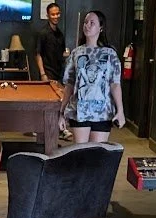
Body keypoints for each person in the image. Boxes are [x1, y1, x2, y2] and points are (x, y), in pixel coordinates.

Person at [60, 10, 124, 144]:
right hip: (79, 111)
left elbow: (115, 84)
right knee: (80, 154)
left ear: (101, 27)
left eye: (92, 23)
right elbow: (69, 85)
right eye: (85, 22)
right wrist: (61, 113)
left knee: (97, 156)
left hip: (103, 112)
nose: (87, 25)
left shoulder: (110, 54)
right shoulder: (76, 53)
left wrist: (120, 111)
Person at [35, 3, 65, 82]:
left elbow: (62, 53)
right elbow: (38, 54)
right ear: (48, 16)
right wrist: (43, 74)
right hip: (48, 75)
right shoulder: (43, 33)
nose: (56, 17)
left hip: (59, 75)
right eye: (53, 14)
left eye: (57, 14)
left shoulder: (60, 34)